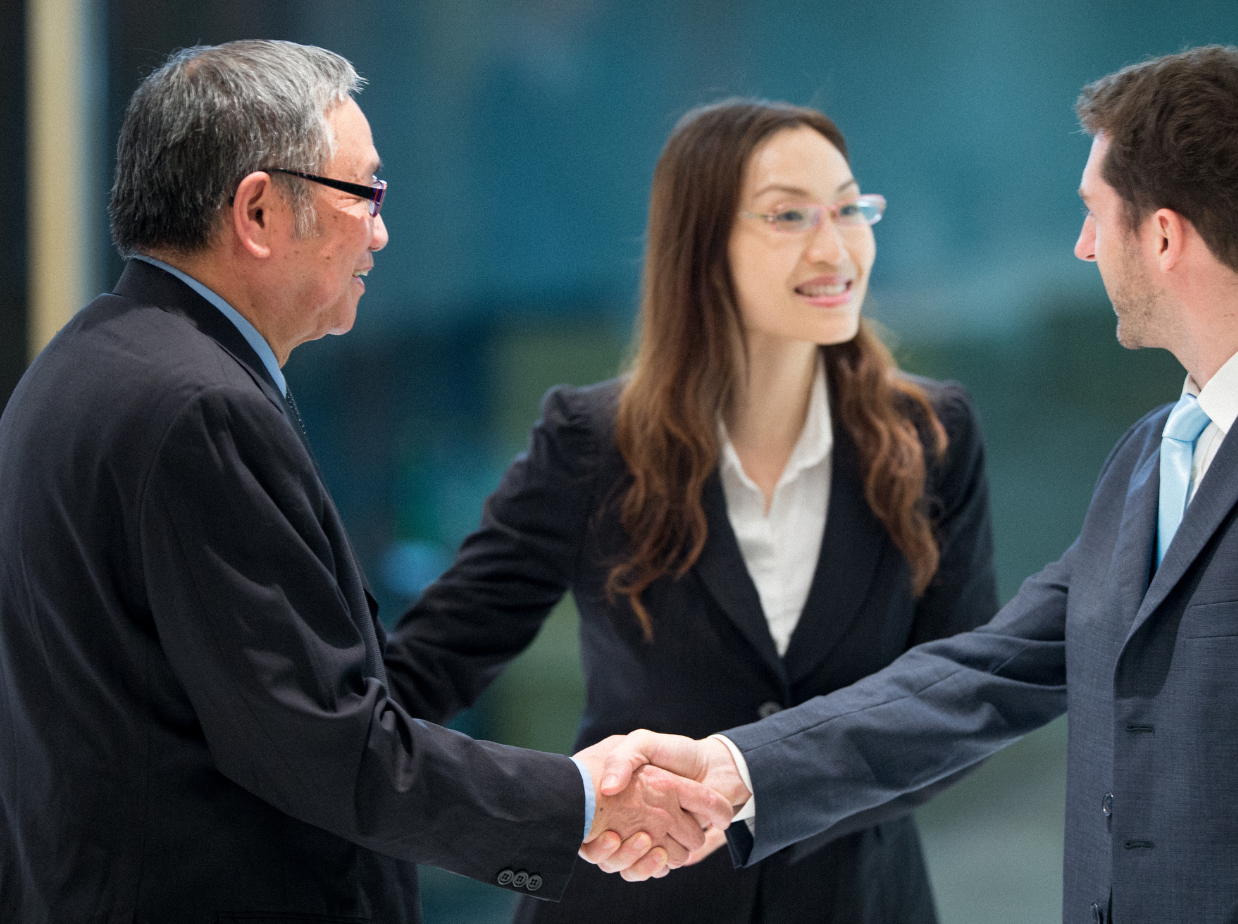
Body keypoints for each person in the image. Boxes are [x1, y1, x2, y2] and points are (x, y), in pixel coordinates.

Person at [589, 46, 1238, 924]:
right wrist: (732, 768)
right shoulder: (1150, 455)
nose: (1082, 247)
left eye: (1092, 211)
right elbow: (985, 671)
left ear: (1162, 237)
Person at [0, 40, 727, 924]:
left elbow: (284, 689)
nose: (381, 229)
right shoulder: (198, 408)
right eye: (363, 192)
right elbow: (326, 747)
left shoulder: (86, 359)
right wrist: (580, 803)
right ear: (259, 212)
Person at [383, 98, 998, 924]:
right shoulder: (593, 442)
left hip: (855, 900)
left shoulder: (935, 436)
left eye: (852, 208)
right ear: (703, 244)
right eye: (790, 215)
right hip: (629, 904)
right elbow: (424, 671)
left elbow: (961, 701)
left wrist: (759, 792)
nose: (837, 244)